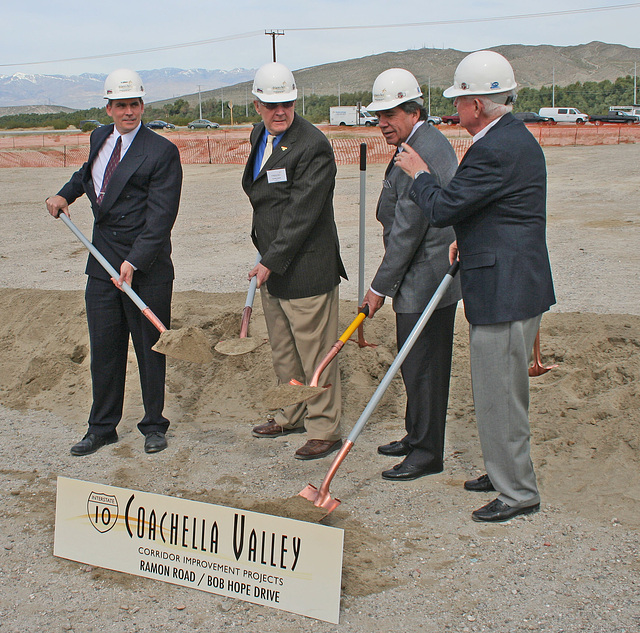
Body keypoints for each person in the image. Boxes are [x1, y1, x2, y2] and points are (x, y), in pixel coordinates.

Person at [395, 50, 556, 522]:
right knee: (496, 392)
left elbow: (446, 207)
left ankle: (517, 492)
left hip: (506, 291)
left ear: (478, 105)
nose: (456, 109)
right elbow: (498, 211)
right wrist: (469, 240)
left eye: (460, 100)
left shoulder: (495, 148)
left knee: (501, 395)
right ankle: (503, 469)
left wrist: (420, 175)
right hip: (507, 280)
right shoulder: (508, 138)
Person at [46, 68, 183, 456]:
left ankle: (154, 425)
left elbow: (161, 216)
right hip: (102, 261)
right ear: (107, 107)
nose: (129, 112)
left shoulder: (161, 151)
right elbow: (88, 175)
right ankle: (102, 426)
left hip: (147, 266)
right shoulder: (99, 137)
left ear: (143, 105)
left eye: (135, 104)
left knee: (150, 348)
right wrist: (64, 195)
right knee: (105, 349)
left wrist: (135, 261)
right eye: (121, 105)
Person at [242, 62, 347, 460]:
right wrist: (267, 255)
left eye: (286, 103)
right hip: (273, 263)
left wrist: (271, 259)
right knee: (284, 350)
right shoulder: (259, 135)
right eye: (271, 105)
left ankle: (324, 428)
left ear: (295, 100)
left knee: (316, 354)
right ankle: (291, 412)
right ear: (256, 105)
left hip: (306, 268)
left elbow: (303, 212)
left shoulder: (313, 145)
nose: (279, 111)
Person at [360, 69, 461, 481]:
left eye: (389, 114)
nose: (381, 123)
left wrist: (377, 288)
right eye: (378, 115)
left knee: (424, 368)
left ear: (414, 109)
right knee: (414, 363)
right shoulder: (417, 141)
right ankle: (416, 433)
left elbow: (407, 229)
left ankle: (426, 453)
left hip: (426, 279)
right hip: (419, 278)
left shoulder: (426, 151)